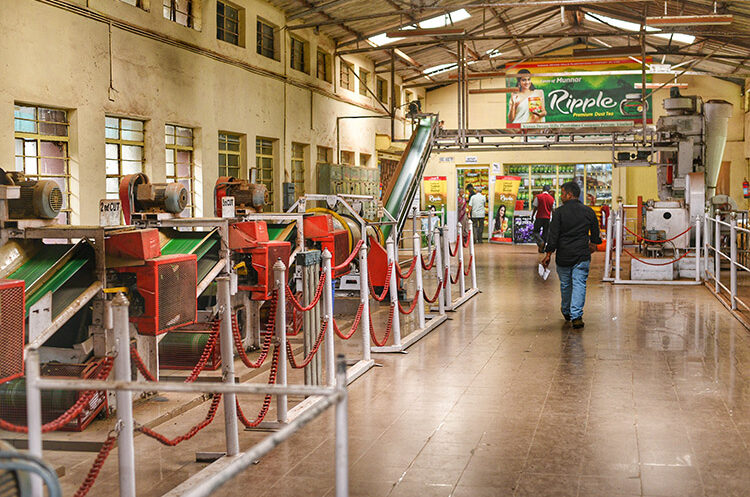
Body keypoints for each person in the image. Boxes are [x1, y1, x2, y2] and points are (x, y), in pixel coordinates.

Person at [541, 181, 602, 330]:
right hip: (582, 254)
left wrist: (548, 254)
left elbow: (553, 235)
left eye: (562, 193)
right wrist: (593, 244)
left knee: (566, 284)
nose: (561, 196)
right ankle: (576, 316)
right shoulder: (588, 211)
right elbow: (595, 232)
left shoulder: (559, 213)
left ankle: (567, 311)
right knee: (580, 284)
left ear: (569, 194)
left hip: (564, 256)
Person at [531, 184, 555, 253]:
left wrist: (532, 216)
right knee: (545, 233)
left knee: (535, 232)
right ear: (549, 191)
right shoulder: (552, 199)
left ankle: (540, 243)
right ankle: (542, 248)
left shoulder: (538, 197)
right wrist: (553, 219)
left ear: (542, 190)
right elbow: (553, 210)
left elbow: (535, 207)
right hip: (547, 218)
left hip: (539, 217)